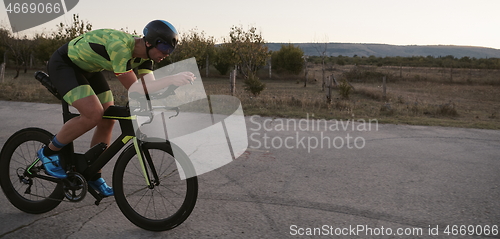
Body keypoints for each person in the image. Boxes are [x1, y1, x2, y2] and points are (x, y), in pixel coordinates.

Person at [38, 20, 195, 196]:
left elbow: (148, 87)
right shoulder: (121, 47)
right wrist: (171, 79)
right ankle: (48, 152)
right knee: (94, 114)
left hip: (90, 69)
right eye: (165, 48)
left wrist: (170, 93)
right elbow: (135, 88)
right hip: (65, 65)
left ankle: (93, 175)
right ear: (149, 42)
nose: (167, 54)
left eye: (170, 50)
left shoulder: (146, 58)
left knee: (109, 117)